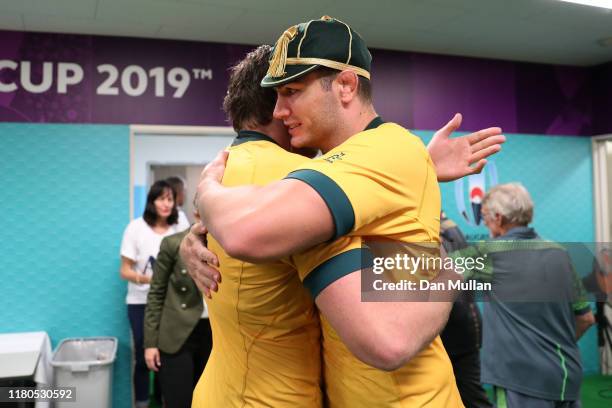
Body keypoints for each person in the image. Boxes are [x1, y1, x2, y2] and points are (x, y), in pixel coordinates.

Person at [189, 16, 505, 407]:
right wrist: (421, 165)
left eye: (292, 92)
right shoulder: (352, 165)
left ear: (346, 85)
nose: (280, 110)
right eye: (277, 95)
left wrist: (205, 191)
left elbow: (386, 343)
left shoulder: (377, 154)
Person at [452, 183, 595, 408]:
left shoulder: (487, 252)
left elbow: (431, 269)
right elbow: (586, 318)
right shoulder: (560, 253)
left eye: (485, 216)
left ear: (498, 218)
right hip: (567, 376)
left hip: (520, 380)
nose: (485, 222)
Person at [119, 180, 185, 408]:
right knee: (143, 354)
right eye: (161, 199)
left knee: (168, 355)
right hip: (140, 302)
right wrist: (150, 280)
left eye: (170, 199)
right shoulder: (135, 228)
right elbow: (124, 270)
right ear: (152, 201)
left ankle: (163, 399)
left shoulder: (180, 227)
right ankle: (142, 403)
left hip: (171, 304)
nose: (166, 204)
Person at [143, 200, 212, 408]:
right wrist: (151, 344)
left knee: (210, 401)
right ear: (196, 211)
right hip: (178, 333)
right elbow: (156, 293)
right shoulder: (173, 243)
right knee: (179, 401)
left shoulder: (230, 244)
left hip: (214, 334)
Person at [440, 213, 492, 408]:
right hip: (464, 324)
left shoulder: (433, 229)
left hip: (453, 326)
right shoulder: (447, 225)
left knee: (469, 396)